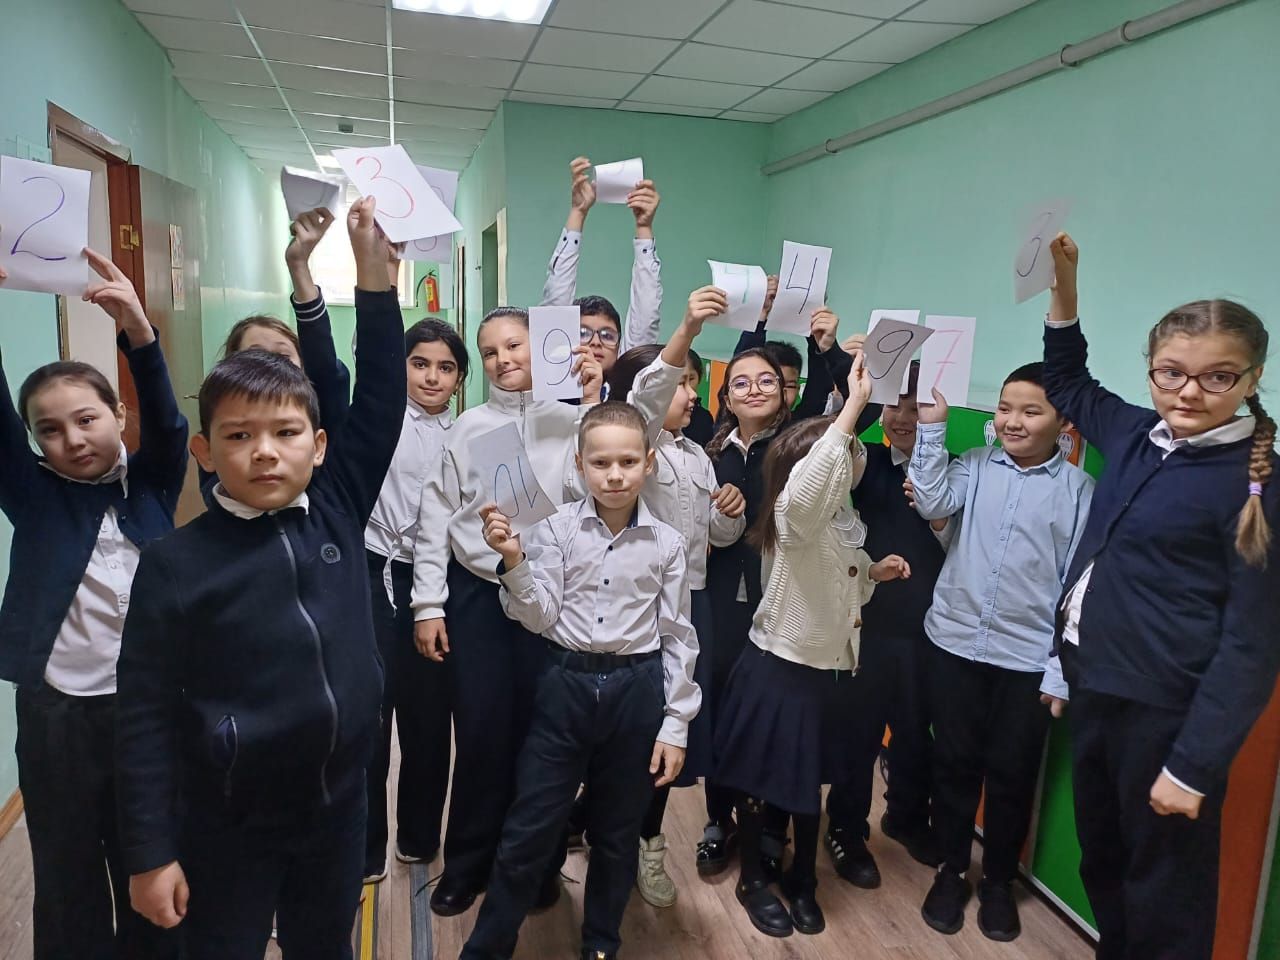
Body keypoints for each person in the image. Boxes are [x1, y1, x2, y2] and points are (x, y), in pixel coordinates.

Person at [115, 197, 406, 960]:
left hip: (338, 808)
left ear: (319, 444)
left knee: (324, 946)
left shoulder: (338, 510)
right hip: (228, 820)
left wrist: (373, 274)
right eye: (240, 436)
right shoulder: (176, 564)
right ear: (205, 452)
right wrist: (148, 852)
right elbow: (142, 715)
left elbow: (382, 394)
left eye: (285, 433)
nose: (265, 452)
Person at [1042, 233, 1280, 960]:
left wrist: (1193, 766)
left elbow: (1252, 644)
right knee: (1105, 861)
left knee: (1166, 894)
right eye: (1171, 372)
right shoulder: (1138, 433)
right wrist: (1065, 286)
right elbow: (1067, 380)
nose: (1188, 392)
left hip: (1166, 715)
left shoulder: (1259, 486)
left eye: (1217, 377)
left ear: (1253, 377)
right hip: (1096, 686)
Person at [459, 401, 699, 960]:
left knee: (617, 834)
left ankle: (600, 944)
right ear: (580, 464)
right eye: (601, 463)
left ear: (648, 463)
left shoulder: (666, 543)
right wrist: (514, 562)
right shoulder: (556, 529)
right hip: (564, 687)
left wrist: (676, 724)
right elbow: (539, 615)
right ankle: (486, 948)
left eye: (628, 462)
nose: (615, 475)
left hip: (636, 691)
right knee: (528, 828)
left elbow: (678, 635)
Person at [0, 252, 186, 960]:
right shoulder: (35, 498)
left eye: (86, 419)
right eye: (49, 430)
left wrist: (137, 326)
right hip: (60, 719)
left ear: (118, 414)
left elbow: (169, 424)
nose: (73, 439)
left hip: (149, 715)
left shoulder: (152, 485)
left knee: (151, 862)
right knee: (67, 874)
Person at [412, 305, 603, 916]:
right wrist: (427, 605)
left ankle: (536, 867)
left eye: (514, 345)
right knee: (481, 734)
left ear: (541, 345)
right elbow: (434, 521)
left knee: (544, 741)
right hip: (479, 598)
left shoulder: (571, 420)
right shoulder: (467, 428)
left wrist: (589, 406)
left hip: (552, 598)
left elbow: (597, 494)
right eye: (490, 352)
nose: (502, 360)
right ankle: (466, 865)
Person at [716, 352, 910, 938]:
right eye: (846, 454)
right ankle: (754, 880)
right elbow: (806, 495)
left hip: (826, 674)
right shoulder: (795, 516)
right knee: (763, 785)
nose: (854, 458)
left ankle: (803, 877)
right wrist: (849, 412)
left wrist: (871, 574)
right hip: (780, 670)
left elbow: (842, 584)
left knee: (805, 787)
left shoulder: (843, 520)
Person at [909, 361, 1093, 941]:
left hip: (1027, 659)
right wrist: (932, 427)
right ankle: (950, 870)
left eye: (1030, 411)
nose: (1012, 421)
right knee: (953, 763)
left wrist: (1060, 672)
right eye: (1005, 408)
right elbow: (931, 501)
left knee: (1013, 774)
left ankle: (997, 883)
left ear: (1063, 422)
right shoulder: (975, 464)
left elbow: (1078, 590)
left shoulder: (1080, 492)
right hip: (955, 642)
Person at [824, 360, 948, 888]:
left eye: (917, 406)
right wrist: (848, 377)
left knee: (916, 733)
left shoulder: (948, 473)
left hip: (927, 631)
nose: (903, 416)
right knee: (858, 735)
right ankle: (846, 829)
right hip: (865, 626)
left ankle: (906, 818)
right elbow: (830, 447)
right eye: (895, 404)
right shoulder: (865, 461)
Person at [362, 318, 468, 882]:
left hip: (438, 583)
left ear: (460, 377)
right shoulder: (376, 418)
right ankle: (365, 847)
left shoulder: (468, 434)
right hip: (372, 570)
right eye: (420, 363)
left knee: (428, 717)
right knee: (371, 714)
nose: (432, 377)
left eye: (446, 367)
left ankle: (420, 836)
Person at [541, 156, 662, 384]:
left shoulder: (628, 389)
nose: (595, 343)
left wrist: (644, 227)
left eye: (607, 335)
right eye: (583, 333)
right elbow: (555, 304)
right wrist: (578, 212)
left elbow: (646, 317)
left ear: (619, 345)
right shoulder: (553, 387)